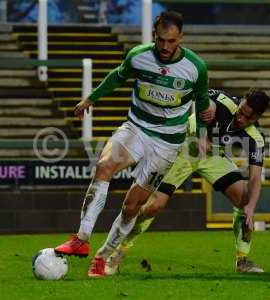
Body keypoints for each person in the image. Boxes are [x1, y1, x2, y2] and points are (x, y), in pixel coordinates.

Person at [54, 11, 212, 277]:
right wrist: (90, 99)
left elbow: (203, 101)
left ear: (180, 38)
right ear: (154, 35)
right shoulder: (138, 56)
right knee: (103, 167)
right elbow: (117, 76)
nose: (165, 47)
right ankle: (81, 239)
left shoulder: (196, 67)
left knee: (131, 206)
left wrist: (203, 134)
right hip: (136, 128)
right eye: (160, 40)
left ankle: (103, 256)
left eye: (171, 41)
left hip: (167, 143)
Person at [101, 88, 270, 276]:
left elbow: (255, 177)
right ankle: (118, 251)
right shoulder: (225, 102)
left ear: (257, 118)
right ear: (241, 102)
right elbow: (199, 96)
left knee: (246, 200)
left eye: (248, 118)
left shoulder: (256, 138)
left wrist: (251, 207)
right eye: (240, 112)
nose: (241, 119)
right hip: (184, 146)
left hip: (213, 155)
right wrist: (201, 133)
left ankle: (242, 260)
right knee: (154, 207)